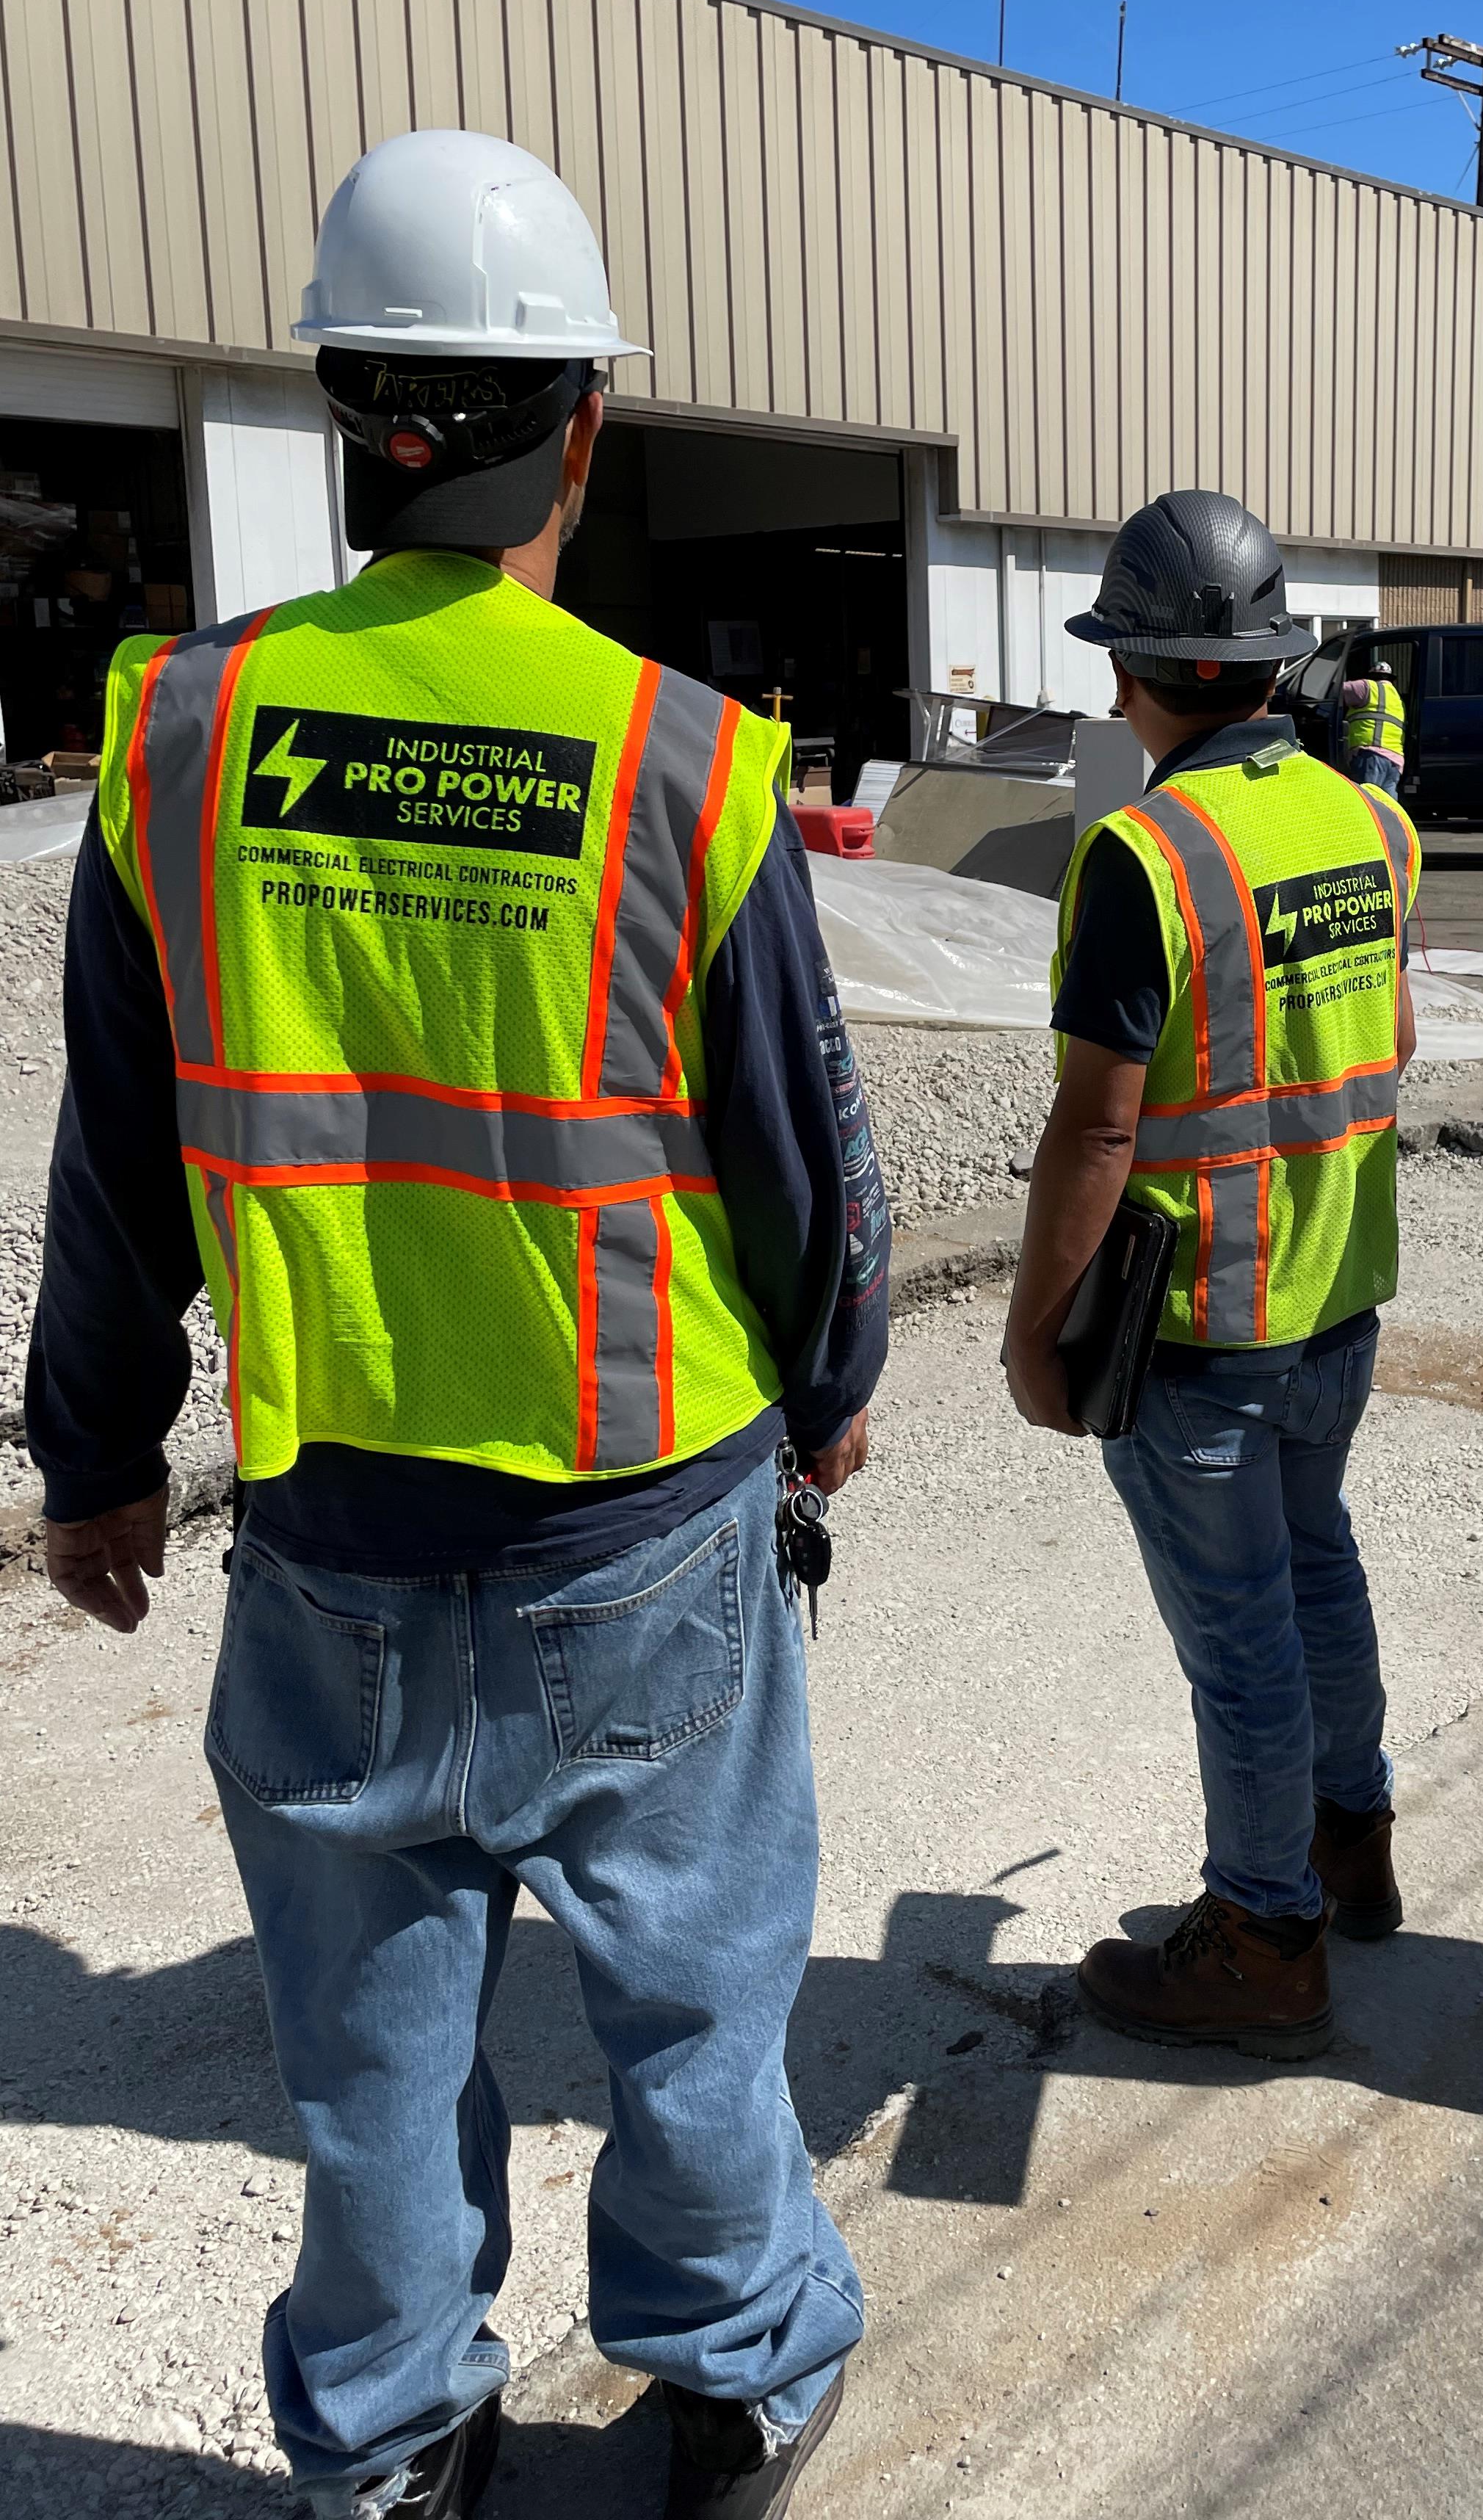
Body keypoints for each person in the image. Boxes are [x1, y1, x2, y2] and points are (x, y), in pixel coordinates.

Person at [31, 130, 889, 2520]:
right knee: (698, 1988)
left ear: (341, 412)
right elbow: (801, 1162)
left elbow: (120, 1155)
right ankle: (734, 2373)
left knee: (376, 2040)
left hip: (334, 1533)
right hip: (650, 1524)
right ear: (579, 428)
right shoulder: (683, 760)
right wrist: (831, 1397)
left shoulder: (179, 740)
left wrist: (91, 1453)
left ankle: (402, 2431)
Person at [1003, 490, 1420, 2060]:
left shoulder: (1145, 854)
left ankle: (1264, 1932)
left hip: (1202, 1327)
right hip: (1338, 1297)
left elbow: (1098, 1131)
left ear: (1138, 672)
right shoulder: (1371, 821)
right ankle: (1350, 1847)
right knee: (1320, 1574)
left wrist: (1038, 1334)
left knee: (1239, 1629)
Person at [1337, 665, 1407, 794]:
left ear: (1371, 676)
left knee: (1368, 802)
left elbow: (1333, 690)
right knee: (1388, 808)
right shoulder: (1398, 700)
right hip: (1395, 762)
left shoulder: (1366, 687)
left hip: (1372, 757)